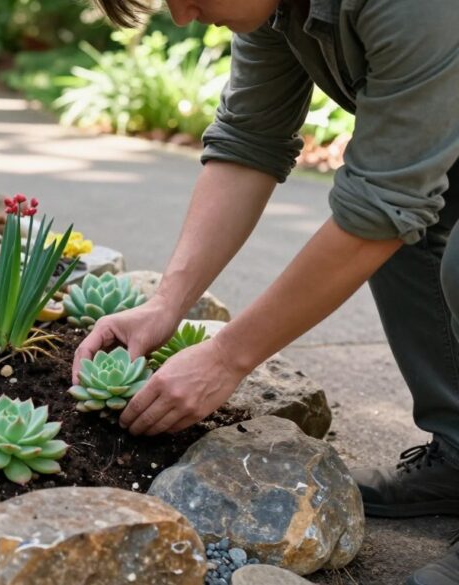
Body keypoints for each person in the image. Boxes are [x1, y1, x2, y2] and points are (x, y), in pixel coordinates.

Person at [70, 0, 459, 583]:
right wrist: (166, 305)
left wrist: (228, 357)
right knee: (411, 235)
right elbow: (250, 139)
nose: (180, 16)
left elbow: (381, 202)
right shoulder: (273, 8)